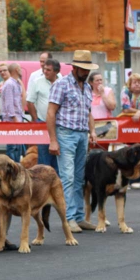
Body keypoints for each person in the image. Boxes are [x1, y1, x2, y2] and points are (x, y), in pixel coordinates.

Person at [47, 50, 99, 233]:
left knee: (79, 178)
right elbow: (51, 112)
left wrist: (92, 130)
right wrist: (53, 140)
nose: (86, 73)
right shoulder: (61, 84)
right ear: (75, 67)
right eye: (84, 69)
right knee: (67, 177)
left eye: (88, 70)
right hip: (66, 133)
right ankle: (68, 219)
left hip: (82, 134)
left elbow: (89, 112)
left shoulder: (86, 87)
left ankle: (78, 216)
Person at [27, 58, 60, 171]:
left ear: (56, 71)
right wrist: (36, 120)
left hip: (59, 124)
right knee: (44, 156)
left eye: (48, 70)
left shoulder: (62, 81)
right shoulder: (37, 82)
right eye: (44, 69)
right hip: (43, 123)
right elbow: (30, 101)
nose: (45, 71)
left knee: (58, 155)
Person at [1, 63, 26, 162]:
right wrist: (14, 118)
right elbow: (9, 103)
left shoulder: (16, 83)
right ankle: (12, 169)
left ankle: (17, 166)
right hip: (12, 121)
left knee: (18, 146)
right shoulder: (9, 84)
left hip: (18, 118)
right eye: (20, 68)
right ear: (16, 69)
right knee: (12, 146)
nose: (21, 70)